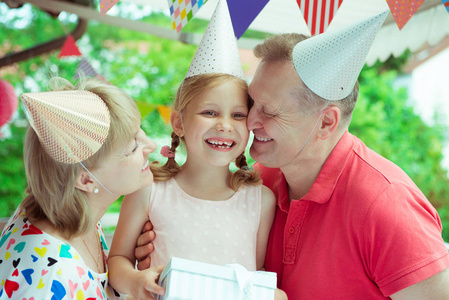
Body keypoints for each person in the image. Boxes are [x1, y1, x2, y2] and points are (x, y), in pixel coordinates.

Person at [136, 11, 449, 299]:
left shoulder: (386, 205)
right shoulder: (259, 181)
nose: (250, 121)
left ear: (326, 122)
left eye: (269, 111)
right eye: (251, 103)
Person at [108, 1, 276, 299]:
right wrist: (135, 281)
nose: (225, 125)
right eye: (210, 113)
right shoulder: (148, 189)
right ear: (178, 122)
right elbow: (118, 260)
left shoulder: (260, 200)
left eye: (238, 115)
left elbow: (256, 274)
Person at [0, 77, 164, 299]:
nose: (151, 146)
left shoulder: (74, 210)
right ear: (86, 181)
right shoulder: (48, 280)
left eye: (140, 131)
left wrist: (131, 281)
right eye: (134, 147)